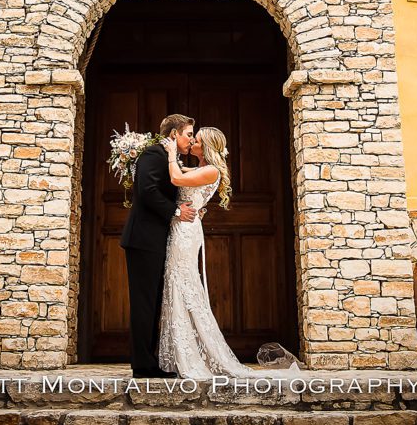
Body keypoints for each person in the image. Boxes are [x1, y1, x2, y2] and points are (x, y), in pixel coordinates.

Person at [158, 126, 301, 380]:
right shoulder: (200, 168)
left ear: (207, 146)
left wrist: (171, 153)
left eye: (197, 140)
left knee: (184, 284)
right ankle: (179, 351)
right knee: (177, 284)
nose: (192, 141)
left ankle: (194, 355)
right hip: (182, 228)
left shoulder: (211, 170)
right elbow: (185, 179)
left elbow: (177, 180)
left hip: (186, 232)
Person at [120, 113, 198, 378]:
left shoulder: (170, 158)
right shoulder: (154, 154)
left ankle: (149, 361)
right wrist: (176, 211)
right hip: (143, 239)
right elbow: (148, 190)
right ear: (174, 134)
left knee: (153, 301)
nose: (191, 140)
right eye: (188, 134)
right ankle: (142, 365)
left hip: (155, 239)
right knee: (144, 302)